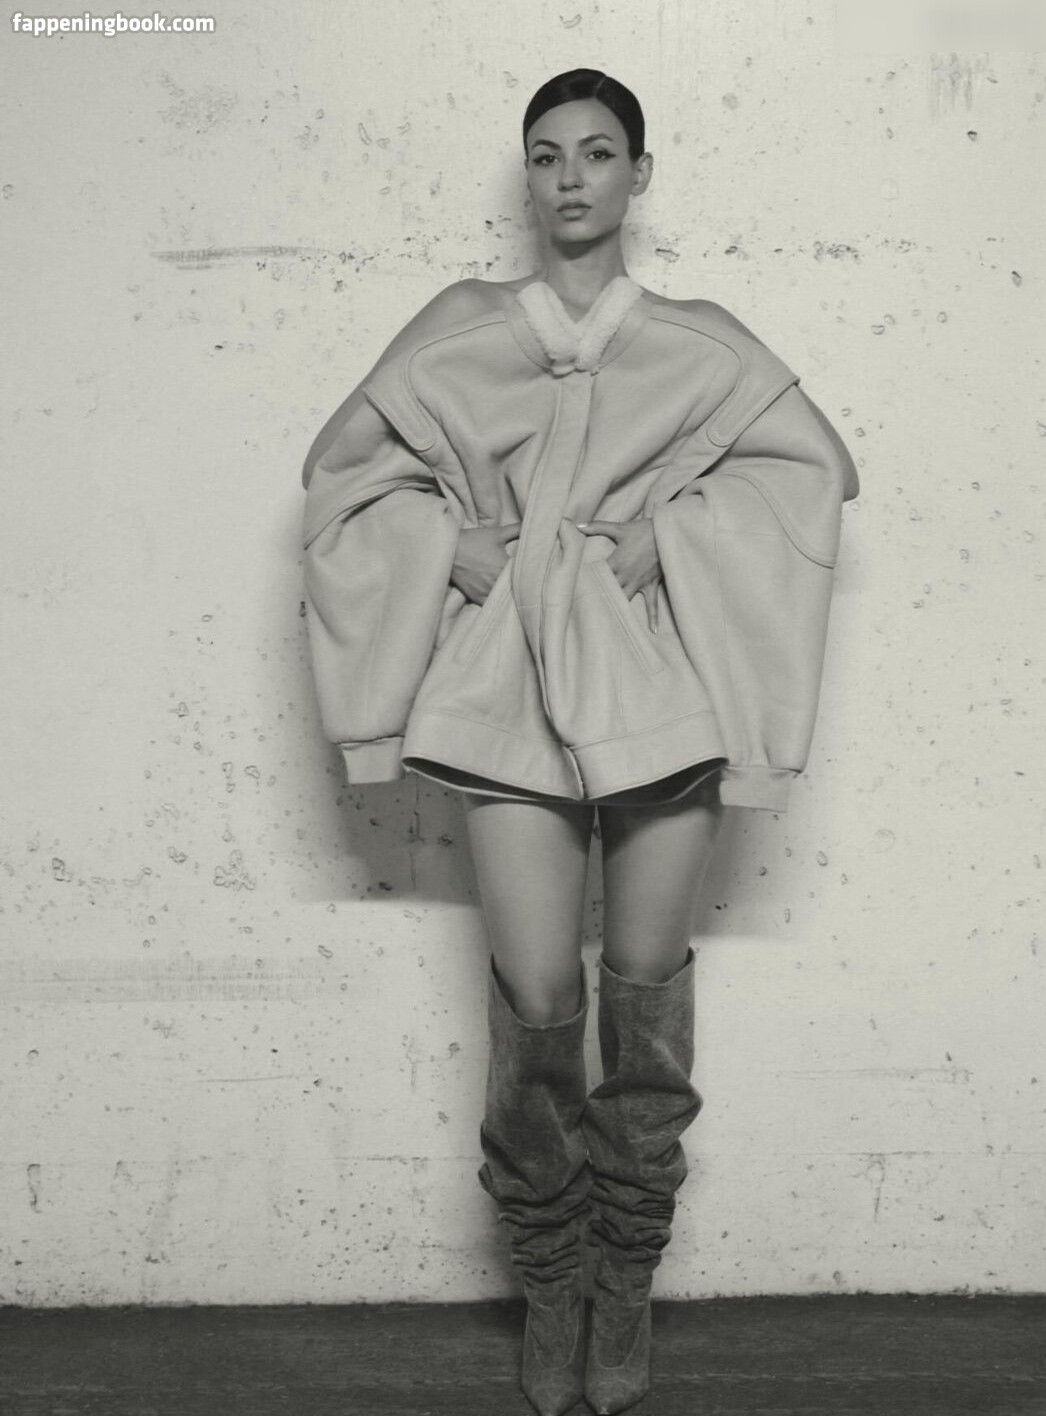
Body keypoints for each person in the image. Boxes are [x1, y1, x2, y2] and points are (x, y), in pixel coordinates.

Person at [301, 68, 858, 1416]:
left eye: (598, 154)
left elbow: (818, 472)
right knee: (539, 998)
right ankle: (551, 1279)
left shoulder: (698, 338)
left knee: (645, 995)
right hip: (508, 692)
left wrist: (679, 531)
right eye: (547, 154)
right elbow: (338, 479)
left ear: (637, 175)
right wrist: (448, 544)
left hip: (660, 690)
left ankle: (627, 1281)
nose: (570, 178)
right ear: (526, 174)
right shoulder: (460, 325)